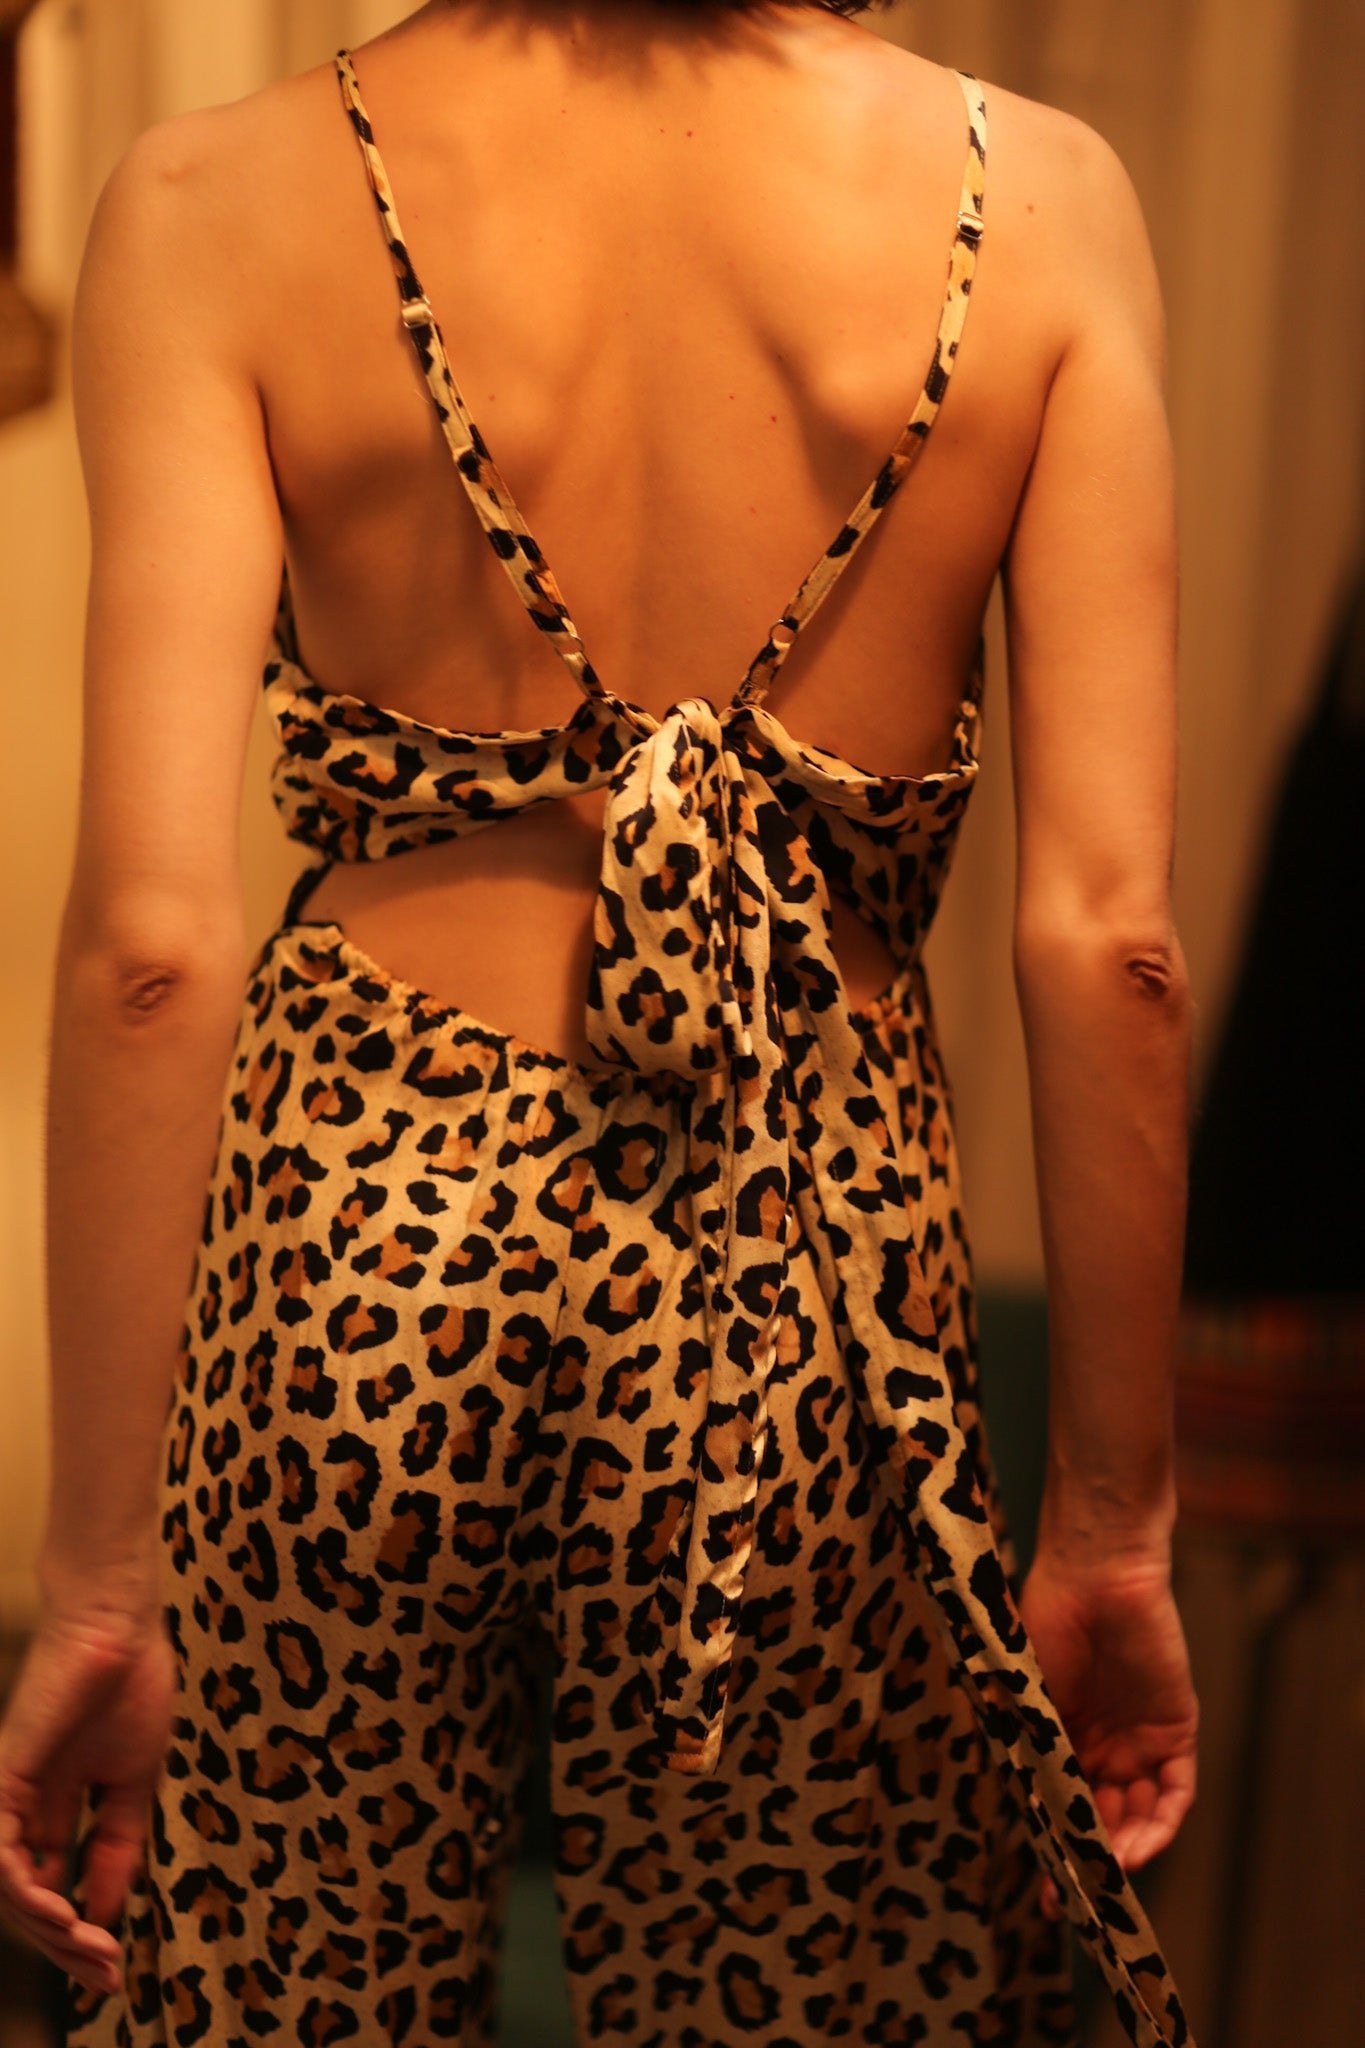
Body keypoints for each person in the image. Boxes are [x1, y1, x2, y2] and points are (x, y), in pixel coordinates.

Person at [0, 1, 1200, 2042]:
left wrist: (102, 1583)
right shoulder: (1038, 202)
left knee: (294, 1992)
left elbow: (150, 948)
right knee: (810, 1994)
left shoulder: (213, 197)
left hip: (354, 1224)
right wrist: (1111, 1527)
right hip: (802, 1242)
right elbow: (1108, 945)